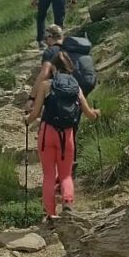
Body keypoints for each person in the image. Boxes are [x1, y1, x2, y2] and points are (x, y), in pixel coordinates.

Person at [25, 50, 100, 220]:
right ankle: (68, 204)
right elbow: (89, 114)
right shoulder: (76, 88)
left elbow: (35, 114)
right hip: (66, 135)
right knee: (65, 175)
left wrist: (26, 120)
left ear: (53, 68)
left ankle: (51, 214)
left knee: (49, 175)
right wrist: (97, 113)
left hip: (47, 134)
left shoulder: (46, 86)